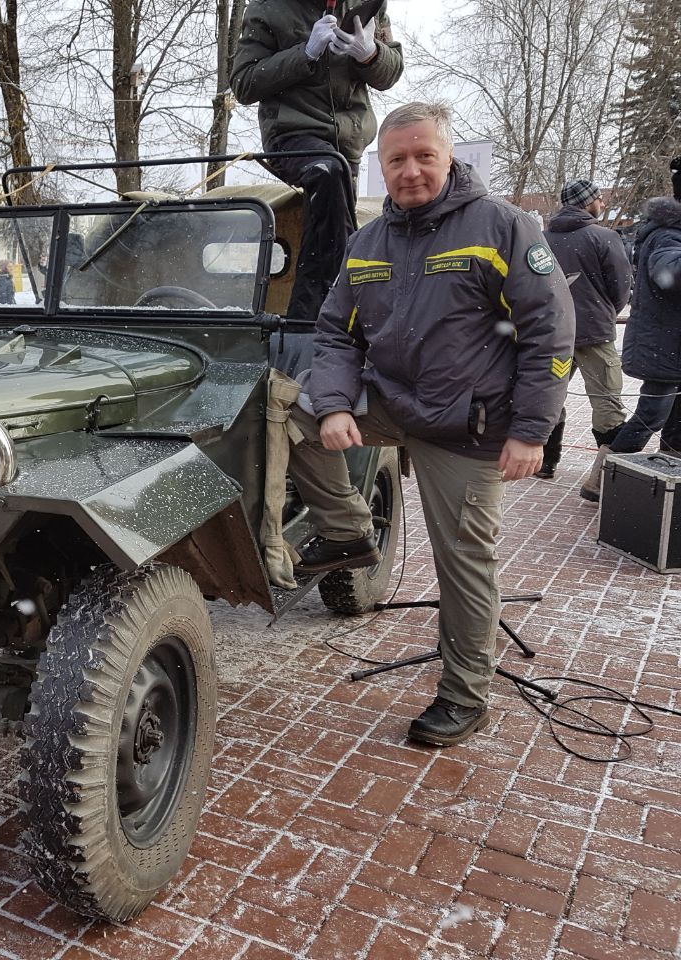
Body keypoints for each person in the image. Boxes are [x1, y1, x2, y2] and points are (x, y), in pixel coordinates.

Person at [287, 102, 574, 747]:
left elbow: (550, 332)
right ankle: (349, 532)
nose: (411, 171)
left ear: (449, 158)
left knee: (464, 564)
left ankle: (466, 695)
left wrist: (531, 431)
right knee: (285, 410)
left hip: (468, 425)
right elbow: (335, 334)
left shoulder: (502, 226)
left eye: (425, 156)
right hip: (396, 402)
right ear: (381, 167)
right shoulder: (367, 242)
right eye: (397, 160)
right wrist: (334, 405)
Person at [230, 0, 404, 322]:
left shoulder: (368, 5)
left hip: (348, 143)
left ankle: (331, 317)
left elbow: (391, 72)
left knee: (334, 210)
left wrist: (370, 54)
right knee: (327, 172)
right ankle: (316, 319)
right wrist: (305, 53)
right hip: (291, 136)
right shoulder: (268, 8)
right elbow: (244, 82)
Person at [580, 159, 681, 500]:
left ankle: (669, 478)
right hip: (664, 344)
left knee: (677, 416)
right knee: (652, 413)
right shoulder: (667, 234)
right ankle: (603, 479)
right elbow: (669, 275)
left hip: (670, 343)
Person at [536, 180, 633, 478]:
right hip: (594, 334)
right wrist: (602, 312)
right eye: (599, 199)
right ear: (587, 202)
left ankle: (546, 462)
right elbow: (621, 287)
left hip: (552, 333)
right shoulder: (604, 237)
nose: (602, 203)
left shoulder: (541, 239)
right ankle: (608, 474)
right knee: (606, 401)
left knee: (549, 396)